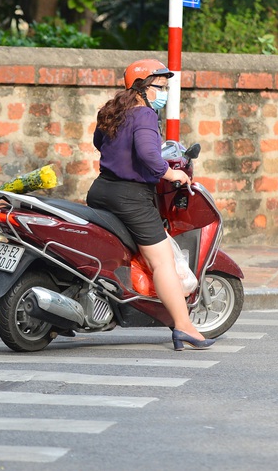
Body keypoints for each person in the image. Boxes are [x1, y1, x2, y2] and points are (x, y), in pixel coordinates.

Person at [86, 59, 214, 351]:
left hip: (101, 190)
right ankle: (184, 328)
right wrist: (172, 173)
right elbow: (148, 154)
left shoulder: (112, 111)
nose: (164, 92)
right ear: (142, 87)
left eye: (166, 87)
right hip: (131, 198)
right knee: (162, 261)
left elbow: (99, 143)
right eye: (161, 87)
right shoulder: (143, 115)